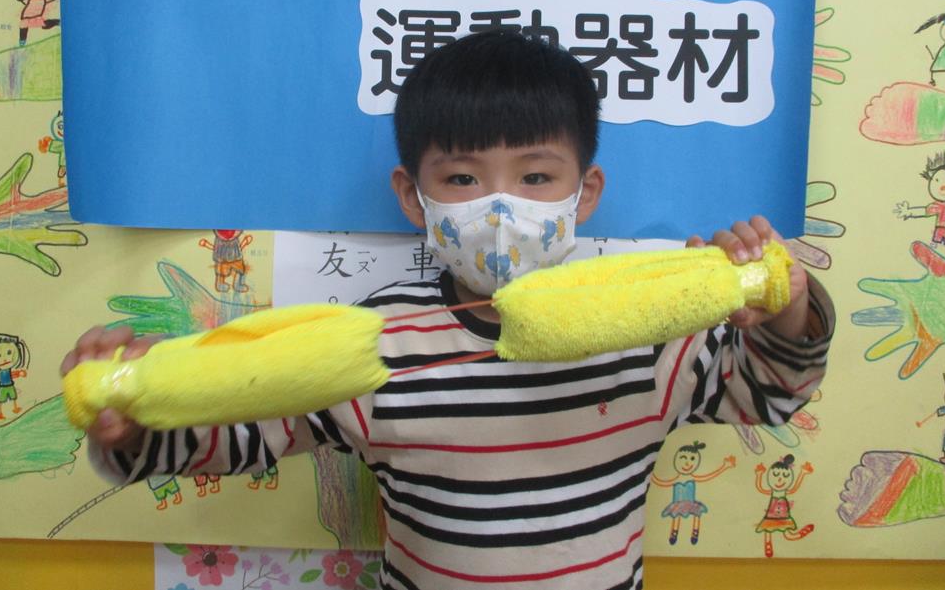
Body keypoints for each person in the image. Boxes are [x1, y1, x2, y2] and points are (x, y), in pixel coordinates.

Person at [62, 30, 834, 590]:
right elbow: (240, 433)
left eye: (535, 177)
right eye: (462, 179)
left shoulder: (650, 333)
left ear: (584, 193)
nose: (499, 207)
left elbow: (767, 394)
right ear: (414, 196)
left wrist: (783, 309)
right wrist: (132, 420)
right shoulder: (377, 341)